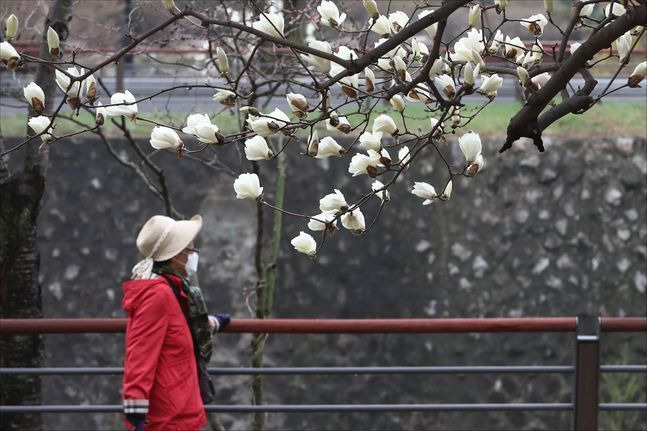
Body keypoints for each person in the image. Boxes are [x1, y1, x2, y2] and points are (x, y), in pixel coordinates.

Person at [121, 214, 230, 431]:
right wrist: (135, 408)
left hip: (179, 406)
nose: (193, 254)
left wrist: (212, 323)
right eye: (189, 250)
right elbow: (141, 351)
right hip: (168, 415)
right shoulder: (158, 295)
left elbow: (181, 326)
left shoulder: (172, 289)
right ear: (175, 256)